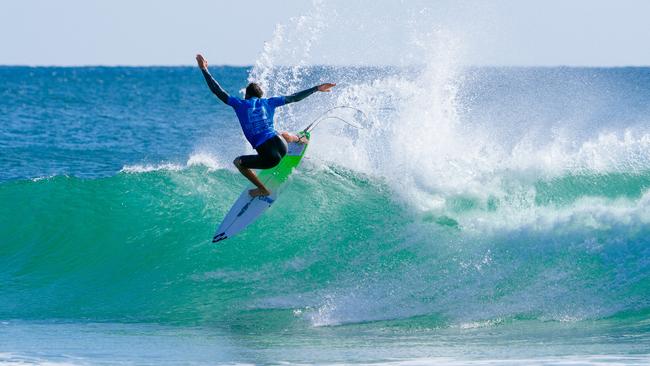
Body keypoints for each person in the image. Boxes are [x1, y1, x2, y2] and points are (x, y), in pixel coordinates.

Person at [196, 54, 335, 197]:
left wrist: (204, 69)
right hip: (282, 145)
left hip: (270, 157)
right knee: (283, 134)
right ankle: (299, 139)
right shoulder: (269, 102)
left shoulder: (239, 104)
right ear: (260, 96)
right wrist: (317, 88)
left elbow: (217, 91)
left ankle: (262, 189)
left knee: (238, 162)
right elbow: (295, 97)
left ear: (246, 96)